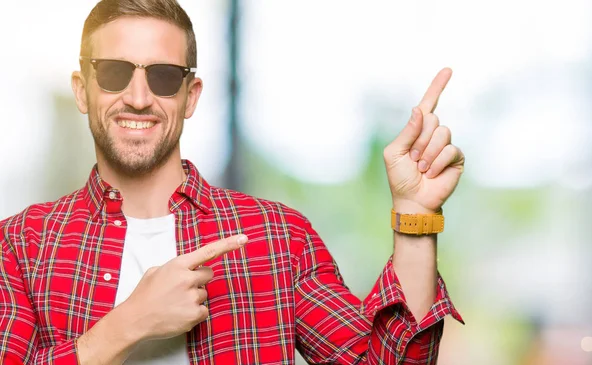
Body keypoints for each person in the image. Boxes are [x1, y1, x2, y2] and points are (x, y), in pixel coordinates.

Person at [0, 0, 465, 364]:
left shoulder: (277, 235)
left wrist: (416, 218)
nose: (138, 98)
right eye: (115, 73)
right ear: (83, 89)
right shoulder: (20, 244)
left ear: (191, 96)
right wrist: (128, 324)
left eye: (163, 77)